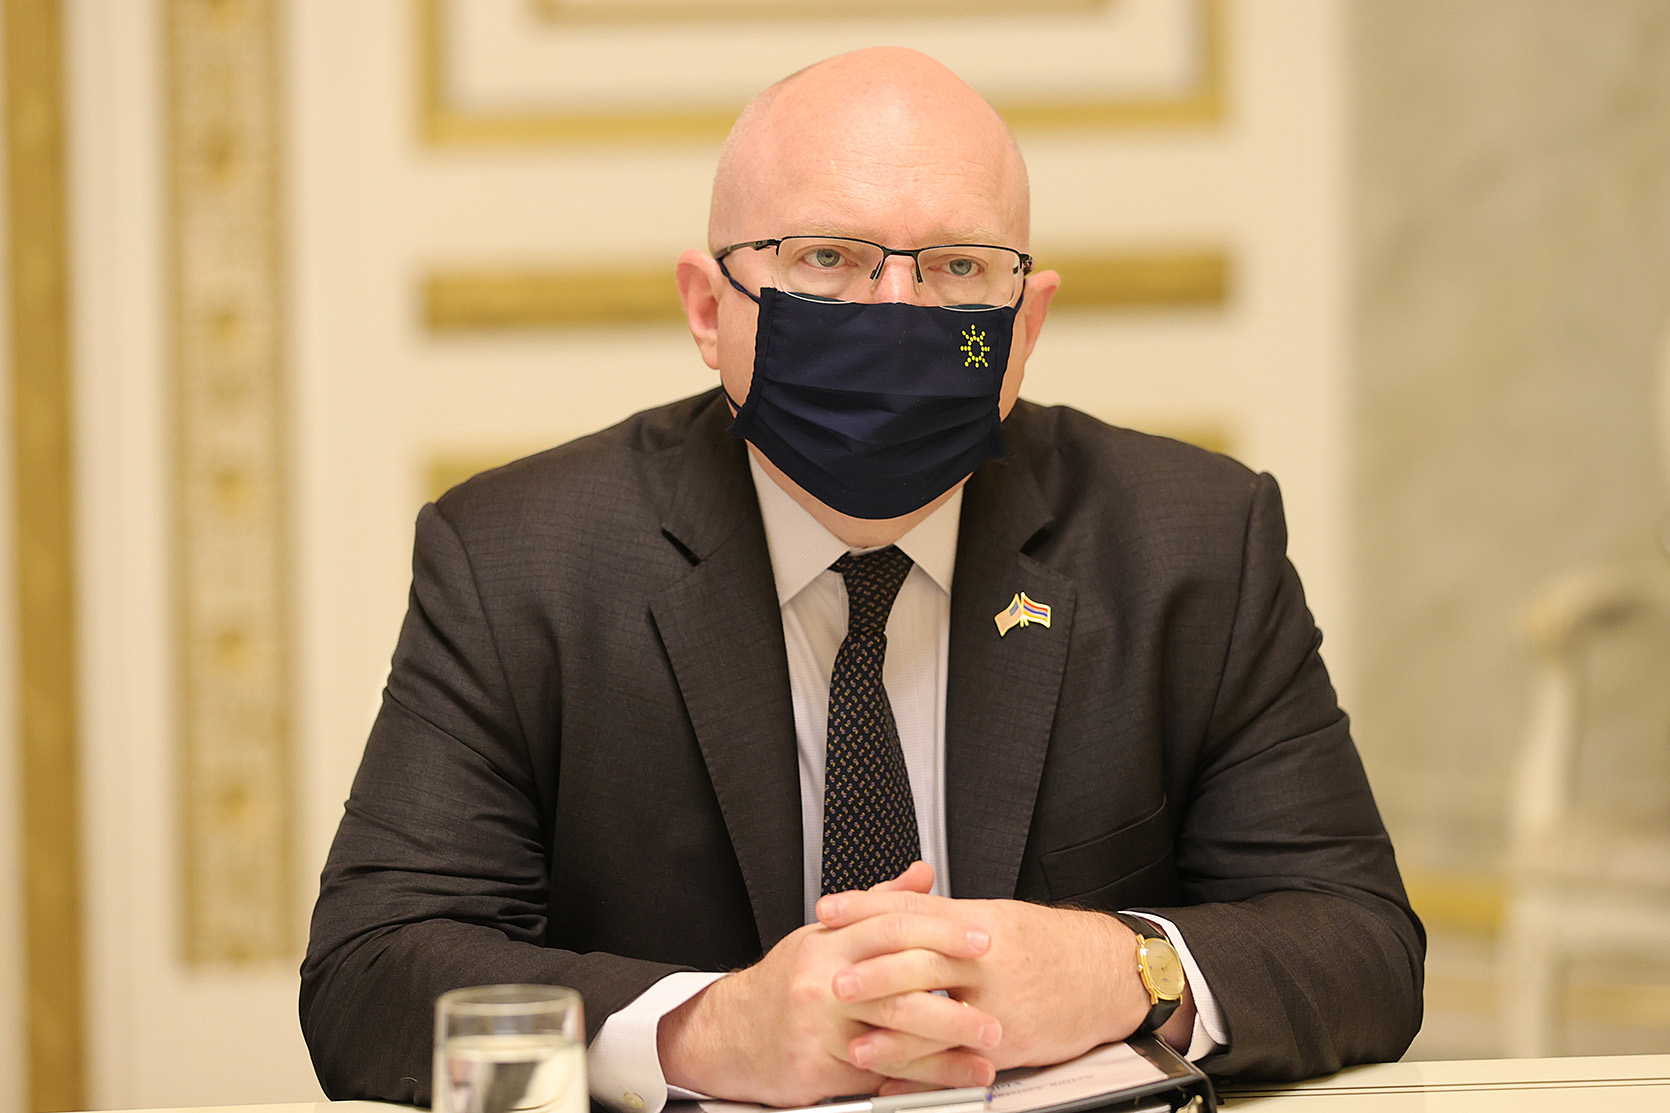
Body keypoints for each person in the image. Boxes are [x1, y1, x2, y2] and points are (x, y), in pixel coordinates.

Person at [301, 47, 1423, 1110]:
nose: (894, 314)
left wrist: (1117, 967)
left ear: (1025, 323)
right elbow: (369, 972)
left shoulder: (1192, 543)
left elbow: (1363, 942)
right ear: (708, 309)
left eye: (957, 267)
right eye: (825, 259)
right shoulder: (517, 560)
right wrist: (701, 1030)